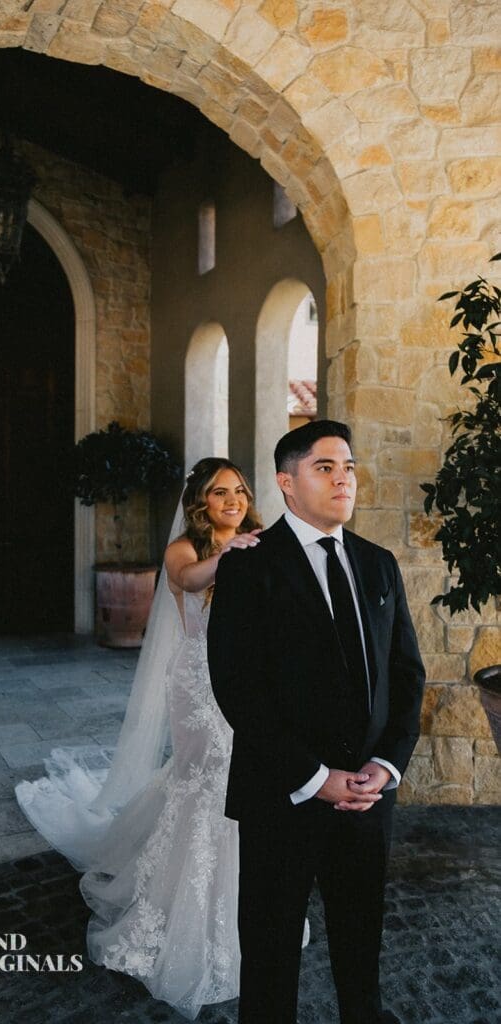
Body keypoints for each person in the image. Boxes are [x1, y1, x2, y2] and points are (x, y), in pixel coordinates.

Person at [17, 457, 265, 1019]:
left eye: (240, 490)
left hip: (249, 681)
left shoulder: (261, 539)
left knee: (241, 782)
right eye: (220, 492)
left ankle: (242, 903)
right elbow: (192, 581)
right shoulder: (184, 550)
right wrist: (232, 551)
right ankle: (184, 910)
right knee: (206, 781)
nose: (233, 500)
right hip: (199, 681)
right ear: (200, 502)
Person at [207, 420, 426, 1024]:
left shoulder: (379, 564)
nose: (343, 479)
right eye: (324, 467)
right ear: (287, 482)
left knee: (361, 942)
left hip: (367, 798)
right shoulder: (249, 566)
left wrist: (386, 765)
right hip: (283, 795)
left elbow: (407, 675)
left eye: (348, 467)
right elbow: (238, 690)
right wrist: (314, 776)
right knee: (271, 953)